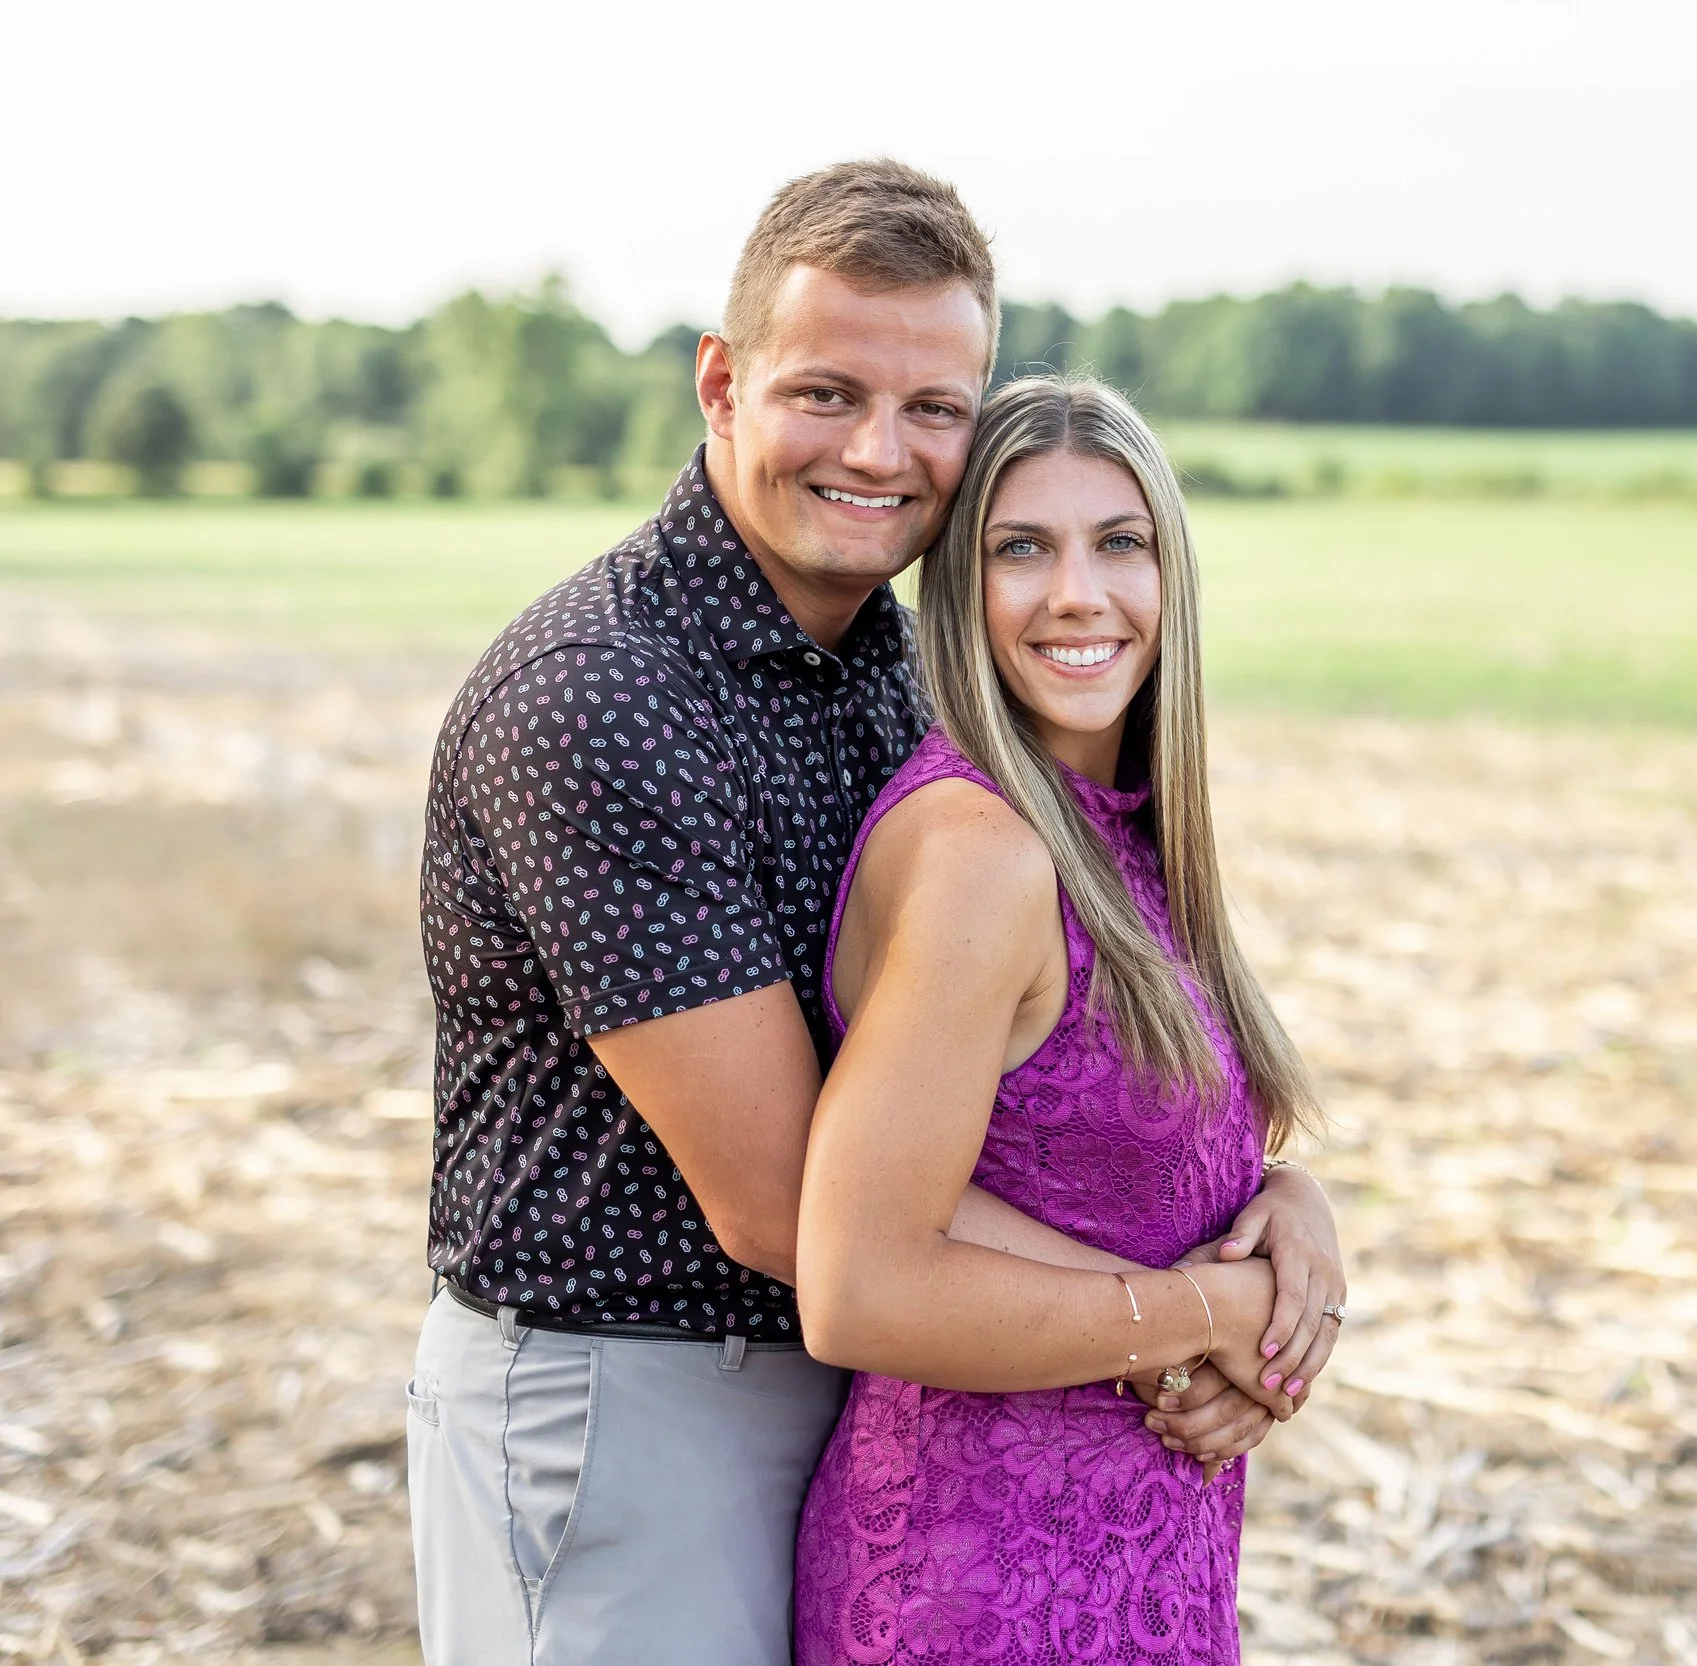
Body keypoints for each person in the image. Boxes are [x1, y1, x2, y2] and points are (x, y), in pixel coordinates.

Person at [406, 161, 1344, 1666]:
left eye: (933, 408)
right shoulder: (599, 698)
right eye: (827, 392)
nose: (881, 452)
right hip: (627, 1406)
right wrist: (1191, 1306)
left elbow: (1010, 1105)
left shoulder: (903, 673)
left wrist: (1272, 1221)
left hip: (877, 1393)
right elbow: (805, 1207)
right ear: (721, 385)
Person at [792, 376, 1328, 1666]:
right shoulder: (984, 853)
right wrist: (1206, 1314)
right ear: (958, 592)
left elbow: (1092, 1165)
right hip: (978, 1586)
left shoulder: (1122, 834)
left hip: (1138, 1560)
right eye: (1019, 547)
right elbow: (860, 1285)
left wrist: (1286, 1200)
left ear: (1171, 577)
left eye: (1120, 543)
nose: (1077, 594)